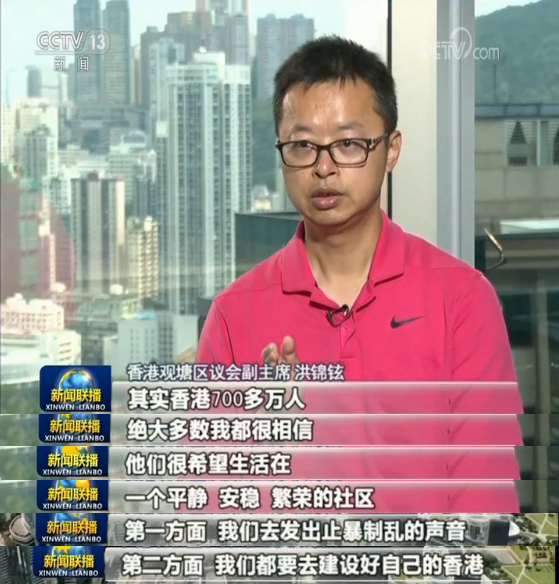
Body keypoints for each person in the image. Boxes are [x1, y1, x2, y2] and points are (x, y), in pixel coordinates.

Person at [194, 36, 523, 510]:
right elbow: (207, 511)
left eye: (348, 143)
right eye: (302, 146)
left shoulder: (462, 300)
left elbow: (485, 500)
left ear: (391, 150)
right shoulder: (233, 316)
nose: (324, 167)